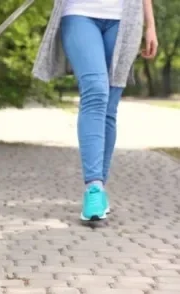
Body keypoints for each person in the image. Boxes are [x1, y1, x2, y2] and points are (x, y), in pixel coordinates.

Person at [32, 0, 158, 221]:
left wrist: (150, 25)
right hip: (79, 13)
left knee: (109, 108)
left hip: (125, 18)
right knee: (96, 91)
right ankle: (93, 187)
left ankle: (99, 188)